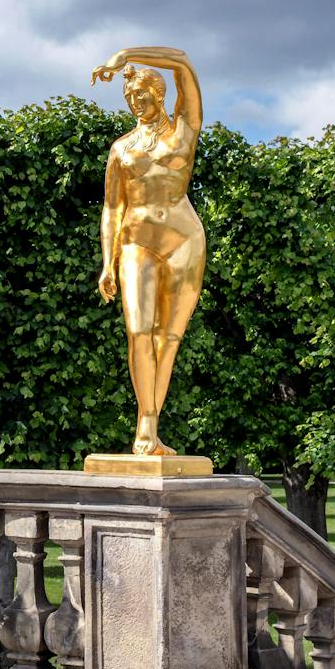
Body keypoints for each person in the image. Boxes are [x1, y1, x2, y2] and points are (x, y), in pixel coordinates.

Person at [92, 46, 205, 457]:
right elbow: (112, 207)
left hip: (183, 241)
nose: (135, 104)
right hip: (136, 241)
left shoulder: (184, 129)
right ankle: (146, 421)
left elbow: (182, 63)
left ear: (159, 95)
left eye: (141, 97)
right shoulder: (121, 149)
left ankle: (152, 426)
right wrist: (108, 260)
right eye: (129, 100)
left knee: (168, 339)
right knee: (138, 332)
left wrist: (125, 54)